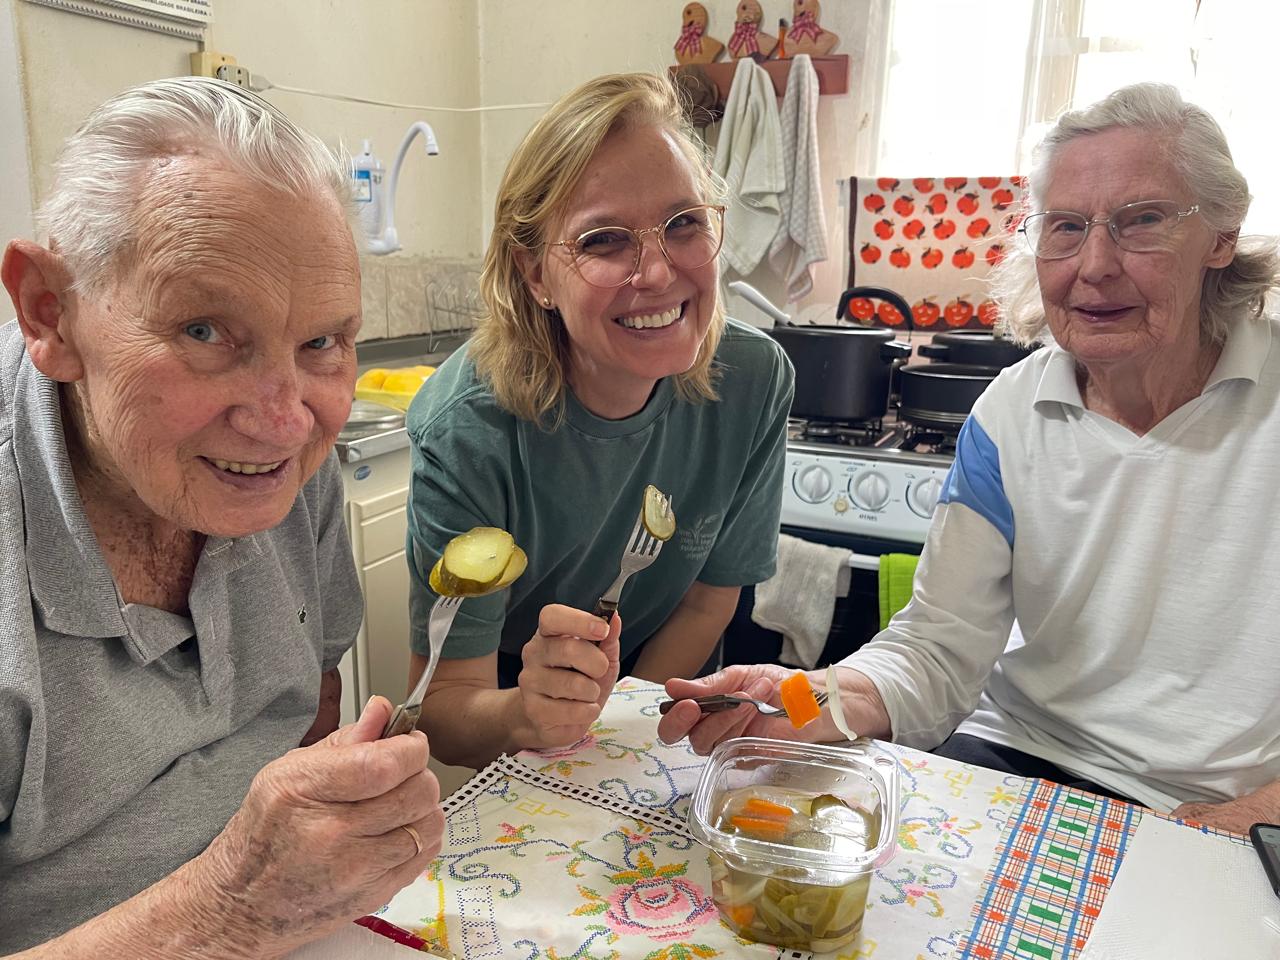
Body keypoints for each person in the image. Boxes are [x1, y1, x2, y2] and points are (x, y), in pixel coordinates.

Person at [659, 82, 1280, 834]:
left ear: (1221, 233)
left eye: (1141, 222)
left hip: (1230, 806)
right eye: (1067, 227)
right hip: (1014, 760)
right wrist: (822, 697)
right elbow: (940, 649)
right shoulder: (1009, 414)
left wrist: (1255, 815)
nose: (1095, 264)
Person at [0, 77, 443, 956]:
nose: (284, 422)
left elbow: (310, 698)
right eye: (206, 331)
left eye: (322, 341)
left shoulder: (278, 463)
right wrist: (231, 908)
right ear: (50, 312)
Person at [405, 73, 794, 769]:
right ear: (534, 276)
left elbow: (709, 599)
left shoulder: (754, 381)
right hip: (510, 686)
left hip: (661, 676)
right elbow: (443, 711)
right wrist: (534, 714)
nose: (657, 271)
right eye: (604, 240)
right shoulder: (471, 429)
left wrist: (616, 730)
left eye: (684, 223)